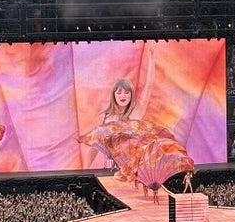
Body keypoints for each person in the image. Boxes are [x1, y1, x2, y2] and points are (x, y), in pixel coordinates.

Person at [78, 44, 194, 189]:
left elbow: (149, 86)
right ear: (114, 94)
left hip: (131, 174)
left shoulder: (135, 114)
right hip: (109, 171)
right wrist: (86, 170)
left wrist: (151, 60)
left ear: (131, 95)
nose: (123, 95)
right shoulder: (104, 117)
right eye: (119, 92)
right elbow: (94, 145)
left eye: (127, 92)